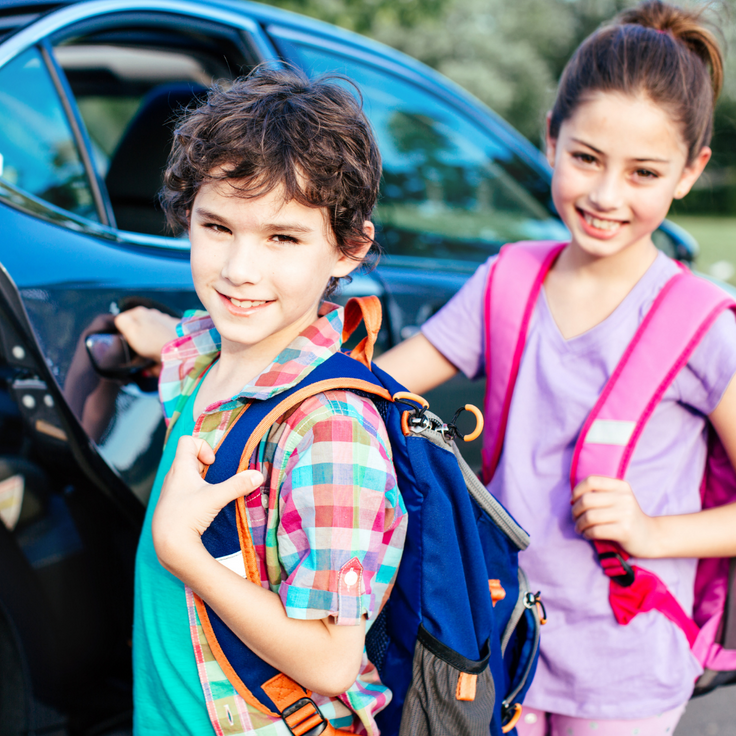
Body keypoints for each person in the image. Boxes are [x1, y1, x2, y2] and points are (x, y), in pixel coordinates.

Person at [376, 1, 736, 733]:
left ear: (691, 172)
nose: (606, 196)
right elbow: (377, 385)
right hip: (498, 640)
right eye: (585, 159)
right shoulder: (506, 282)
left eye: (644, 172)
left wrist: (653, 532)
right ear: (550, 137)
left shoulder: (702, 324)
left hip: (626, 667)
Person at [124, 66, 407, 736]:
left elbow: (333, 663)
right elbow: (183, 343)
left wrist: (181, 551)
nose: (240, 270)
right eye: (217, 227)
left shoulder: (329, 430)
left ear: (348, 250)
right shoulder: (201, 361)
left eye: (282, 238)